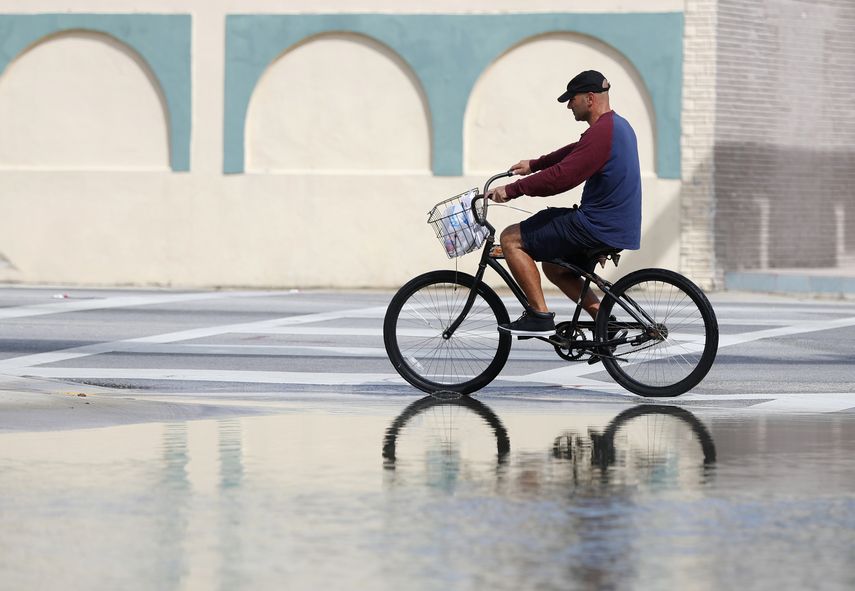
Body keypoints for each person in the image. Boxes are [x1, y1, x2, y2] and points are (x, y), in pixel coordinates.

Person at [486, 69, 642, 337]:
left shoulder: (603, 132)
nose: (569, 105)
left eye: (572, 98)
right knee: (555, 267)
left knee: (511, 238)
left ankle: (539, 315)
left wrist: (511, 190)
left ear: (590, 98)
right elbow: (575, 151)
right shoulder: (616, 126)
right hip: (615, 226)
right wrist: (534, 164)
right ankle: (604, 321)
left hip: (597, 226)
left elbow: (562, 177)